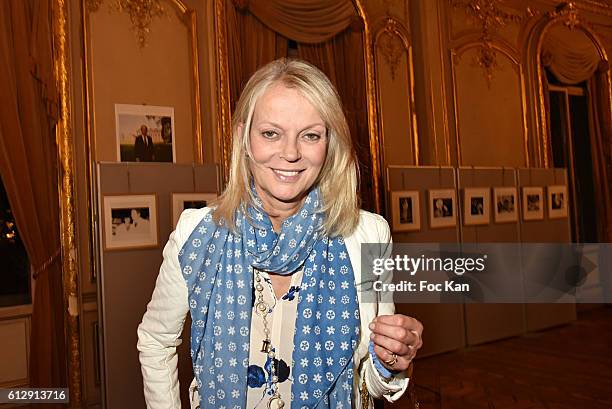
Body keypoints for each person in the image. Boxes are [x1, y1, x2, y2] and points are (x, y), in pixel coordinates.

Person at [137, 58, 423, 409]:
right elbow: (155, 340)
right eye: (271, 133)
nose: (290, 153)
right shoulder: (196, 234)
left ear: (329, 144)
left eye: (310, 135)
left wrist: (390, 359)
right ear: (244, 138)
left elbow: (370, 384)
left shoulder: (367, 235)